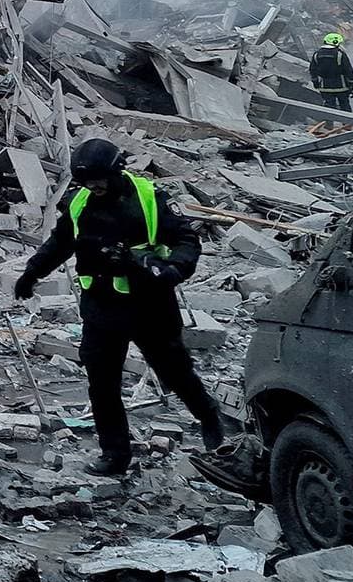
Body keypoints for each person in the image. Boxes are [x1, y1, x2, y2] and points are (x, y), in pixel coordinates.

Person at [13, 138, 224, 476]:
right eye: (86, 181)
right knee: (102, 381)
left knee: (174, 370)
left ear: (115, 171)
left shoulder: (148, 198)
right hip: (101, 308)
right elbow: (60, 242)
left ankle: (209, 417)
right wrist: (32, 273)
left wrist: (166, 268)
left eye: (98, 179)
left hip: (150, 304)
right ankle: (115, 454)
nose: (93, 187)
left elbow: (186, 240)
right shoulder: (80, 201)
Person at [309, 32, 353, 112]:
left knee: (329, 108)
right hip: (341, 87)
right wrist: (352, 83)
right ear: (336, 42)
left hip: (325, 87)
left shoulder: (316, 54)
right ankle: (347, 123)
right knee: (344, 106)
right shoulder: (340, 54)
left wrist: (316, 83)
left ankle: (329, 123)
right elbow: (348, 70)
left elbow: (313, 70)